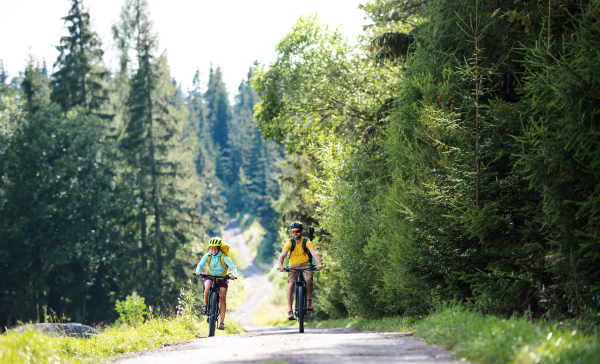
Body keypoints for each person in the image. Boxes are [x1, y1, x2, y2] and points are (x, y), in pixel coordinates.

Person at [277, 221, 323, 320]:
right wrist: (280, 265)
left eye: (297, 231)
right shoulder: (289, 242)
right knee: (291, 284)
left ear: (301, 232)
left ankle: (309, 299)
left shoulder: (307, 242)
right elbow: (283, 255)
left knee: (308, 279)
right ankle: (290, 310)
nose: (295, 233)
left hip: (306, 265)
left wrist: (318, 264)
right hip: (293, 266)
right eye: (293, 231)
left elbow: (314, 254)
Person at [194, 237, 237, 330]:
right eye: (211, 248)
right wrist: (197, 271)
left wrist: (233, 274)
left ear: (219, 248)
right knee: (207, 287)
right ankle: (205, 305)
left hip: (222, 277)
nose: (213, 250)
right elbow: (200, 264)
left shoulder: (223, 257)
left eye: (215, 249)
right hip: (210, 275)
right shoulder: (208, 256)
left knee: (222, 296)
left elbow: (233, 267)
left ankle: (222, 322)